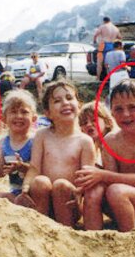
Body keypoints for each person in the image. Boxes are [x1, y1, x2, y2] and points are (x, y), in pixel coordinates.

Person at [76, 79, 135, 232]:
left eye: (132, 107)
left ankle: (128, 238)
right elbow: (110, 179)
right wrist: (85, 185)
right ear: (111, 112)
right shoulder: (110, 140)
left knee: (116, 190)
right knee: (96, 189)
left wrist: (102, 174)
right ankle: (93, 238)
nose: (125, 114)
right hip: (119, 202)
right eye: (118, 109)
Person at [15, 80, 96, 228]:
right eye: (57, 101)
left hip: (69, 200)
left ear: (79, 105)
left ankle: (64, 232)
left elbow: (87, 178)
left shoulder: (85, 141)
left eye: (69, 98)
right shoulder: (42, 135)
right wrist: (26, 188)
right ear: (48, 113)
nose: (65, 103)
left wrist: (79, 192)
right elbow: (34, 167)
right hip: (42, 198)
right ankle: (40, 228)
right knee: (40, 181)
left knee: (61, 185)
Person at [0, 90, 37, 202]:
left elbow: (39, 170)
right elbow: (1, 173)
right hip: (15, 192)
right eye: (13, 112)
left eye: (24, 112)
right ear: (4, 119)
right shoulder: (3, 143)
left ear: (34, 118)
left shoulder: (35, 141)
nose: (19, 116)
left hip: (35, 191)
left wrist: (21, 167)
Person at [79, 101, 115, 166]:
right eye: (84, 123)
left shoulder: (113, 142)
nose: (89, 125)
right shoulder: (90, 148)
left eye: (94, 120)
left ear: (106, 122)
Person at [93, 16, 121, 80]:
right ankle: (110, 78)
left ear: (104, 21)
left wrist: (95, 42)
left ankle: (98, 78)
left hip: (103, 45)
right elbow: (119, 37)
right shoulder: (115, 28)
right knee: (109, 63)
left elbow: (95, 35)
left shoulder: (102, 26)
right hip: (111, 45)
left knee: (99, 63)